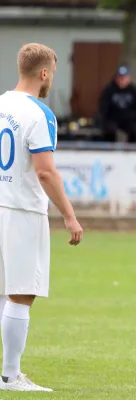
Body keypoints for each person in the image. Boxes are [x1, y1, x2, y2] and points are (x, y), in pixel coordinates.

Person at [0, 43, 83, 392]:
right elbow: (46, 173)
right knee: (21, 293)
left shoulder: (1, 102)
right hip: (21, 209)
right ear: (44, 73)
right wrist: (70, 215)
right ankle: (10, 374)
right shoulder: (39, 113)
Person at [98, 65, 136, 143]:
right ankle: (109, 151)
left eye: (124, 78)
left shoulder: (133, 90)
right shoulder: (109, 90)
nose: (122, 80)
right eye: (120, 78)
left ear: (129, 79)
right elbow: (103, 107)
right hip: (112, 119)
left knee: (135, 131)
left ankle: (131, 151)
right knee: (109, 131)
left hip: (128, 119)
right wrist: (103, 121)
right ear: (116, 78)